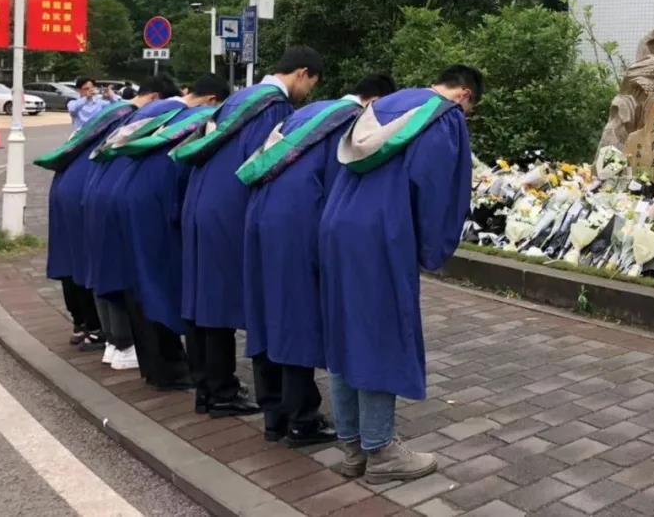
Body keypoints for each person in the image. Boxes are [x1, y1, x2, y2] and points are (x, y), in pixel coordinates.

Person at [319, 66, 481, 483]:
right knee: (380, 333)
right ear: (464, 95)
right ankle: (381, 450)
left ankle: (352, 447)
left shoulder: (384, 104)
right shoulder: (443, 116)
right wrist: (429, 249)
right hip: (380, 232)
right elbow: (436, 188)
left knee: (345, 331)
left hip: (337, 224)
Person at [241, 74, 395, 448]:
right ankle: (302, 420)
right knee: (297, 318)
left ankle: (274, 416)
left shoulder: (307, 113)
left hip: (260, 217)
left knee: (268, 313)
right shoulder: (350, 122)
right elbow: (342, 187)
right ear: (374, 101)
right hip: (298, 224)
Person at [177, 46, 322, 417]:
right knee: (221, 301)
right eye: (311, 84)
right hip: (230, 207)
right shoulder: (274, 107)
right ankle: (222, 392)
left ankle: (208, 388)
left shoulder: (239, 99)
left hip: (200, 201)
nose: (308, 94)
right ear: (302, 73)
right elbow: (268, 164)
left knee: (204, 297)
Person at [95, 75, 232, 389]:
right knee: (157, 283)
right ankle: (170, 369)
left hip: (128, 194)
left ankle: (156, 366)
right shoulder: (190, 117)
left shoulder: (157, 111)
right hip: (154, 202)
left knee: (141, 283)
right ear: (212, 100)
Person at [80, 75, 180, 370]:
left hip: (97, 192)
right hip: (117, 197)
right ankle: (123, 344)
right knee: (120, 273)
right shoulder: (135, 118)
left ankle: (114, 342)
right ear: (156, 98)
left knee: (103, 269)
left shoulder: (118, 115)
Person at [34, 90, 141, 349]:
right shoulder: (127, 121)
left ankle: (82, 324)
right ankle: (94, 328)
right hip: (84, 192)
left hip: (66, 187)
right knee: (87, 263)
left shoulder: (102, 120)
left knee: (70, 260)